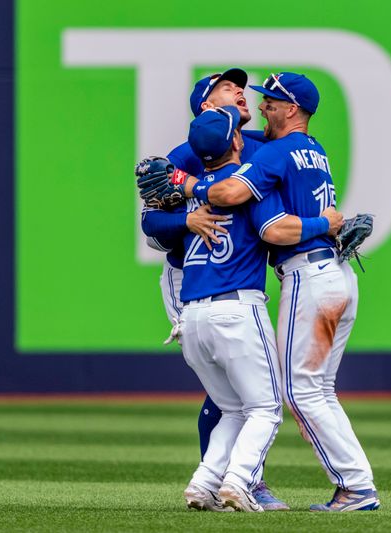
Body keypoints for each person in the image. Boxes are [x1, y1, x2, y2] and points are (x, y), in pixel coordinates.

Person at [176, 73, 380, 512]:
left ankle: (356, 487)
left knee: (300, 393)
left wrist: (187, 184)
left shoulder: (277, 151)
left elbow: (262, 219)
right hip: (337, 275)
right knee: (318, 389)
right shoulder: (315, 149)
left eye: (270, 101)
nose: (262, 107)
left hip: (309, 275)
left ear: (291, 110)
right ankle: (356, 485)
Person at [138, 68, 286, 509]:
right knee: (257, 402)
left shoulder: (255, 146)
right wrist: (186, 217)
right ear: (206, 107)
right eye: (226, 88)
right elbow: (151, 225)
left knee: (234, 398)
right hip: (199, 282)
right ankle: (242, 481)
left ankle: (209, 481)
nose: (239, 90)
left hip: (205, 296)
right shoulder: (187, 153)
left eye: (240, 86)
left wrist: (195, 190)